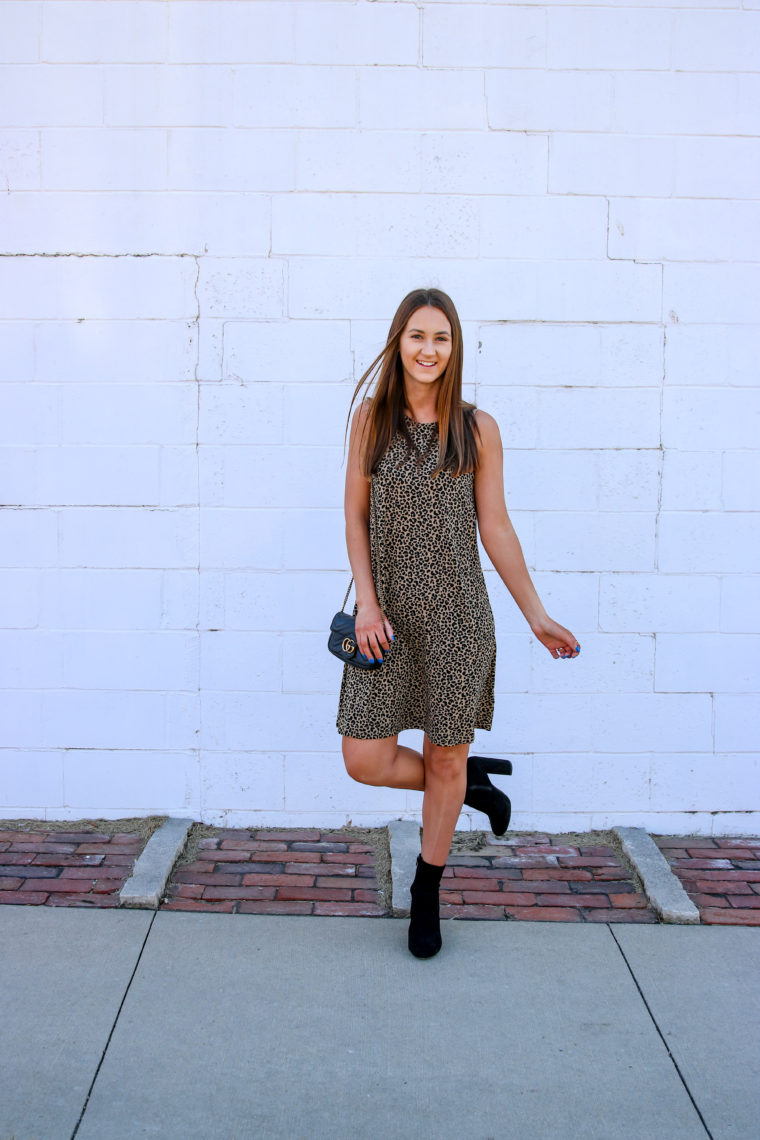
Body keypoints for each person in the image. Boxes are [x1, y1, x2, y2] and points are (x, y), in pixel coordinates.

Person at [335, 287, 580, 959]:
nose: (427, 348)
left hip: (459, 619)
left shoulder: (477, 429)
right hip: (385, 621)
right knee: (365, 757)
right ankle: (469, 783)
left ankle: (427, 892)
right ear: (398, 342)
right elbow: (355, 517)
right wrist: (367, 601)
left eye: (440, 337)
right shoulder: (370, 422)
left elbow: (495, 527)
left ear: (455, 348)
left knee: (445, 753)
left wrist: (536, 614)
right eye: (416, 335)